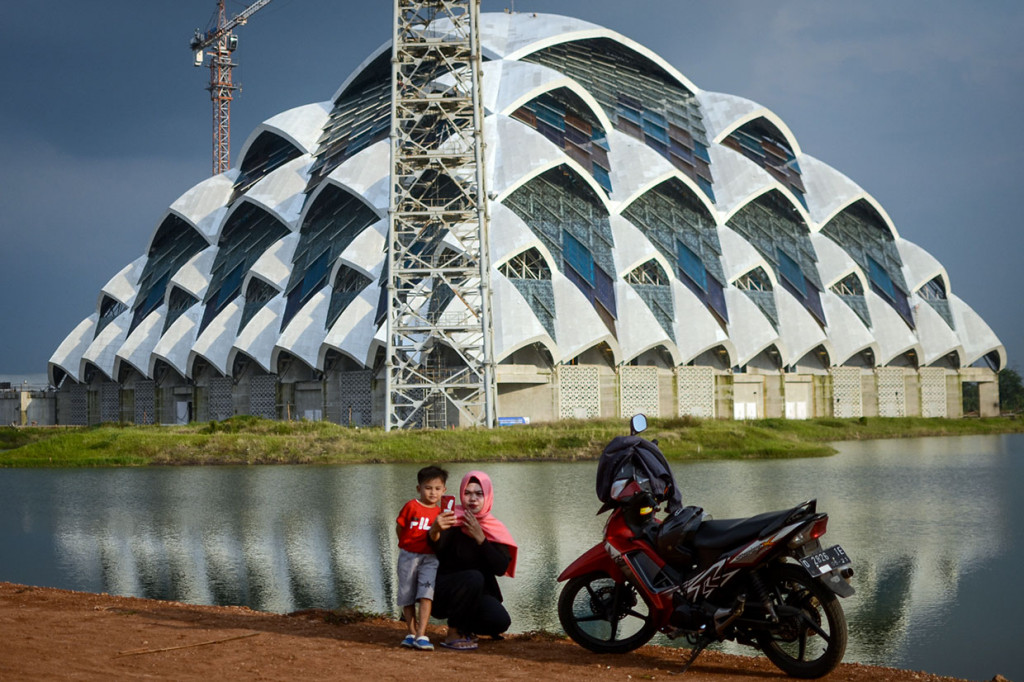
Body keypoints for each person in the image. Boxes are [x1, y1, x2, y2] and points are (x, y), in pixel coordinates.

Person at [428, 470, 518, 651]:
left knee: (499, 621)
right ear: (461, 494)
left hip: (476, 594)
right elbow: (436, 549)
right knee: (473, 577)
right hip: (443, 591)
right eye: (467, 493)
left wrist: (481, 539)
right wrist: (435, 530)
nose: (472, 499)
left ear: (488, 496)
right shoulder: (452, 519)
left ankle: (465, 628)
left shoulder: (493, 528)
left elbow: (500, 568)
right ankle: (453, 633)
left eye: (479, 494)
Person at [395, 465, 449, 651]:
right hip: (409, 556)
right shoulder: (412, 506)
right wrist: (405, 544)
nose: (432, 492)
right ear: (419, 488)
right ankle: (411, 632)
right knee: (407, 594)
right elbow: (400, 527)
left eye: (437, 488)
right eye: (428, 488)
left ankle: (421, 634)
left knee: (427, 593)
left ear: (444, 490)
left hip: (430, 558)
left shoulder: (441, 513)